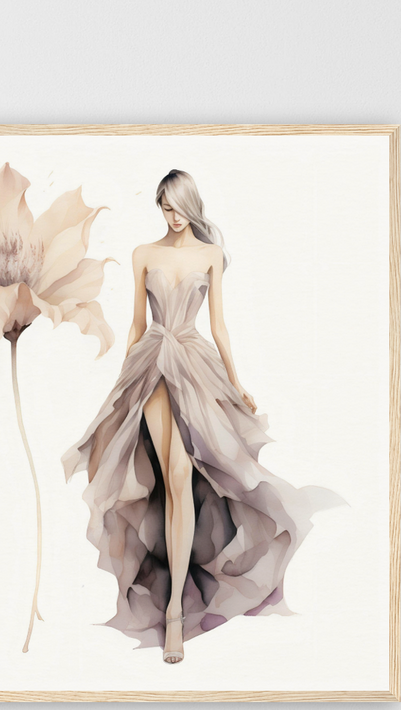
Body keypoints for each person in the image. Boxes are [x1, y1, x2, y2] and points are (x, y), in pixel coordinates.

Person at [63, 169, 337, 664]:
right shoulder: (143, 255)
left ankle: (173, 611)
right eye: (163, 207)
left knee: (185, 475)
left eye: (176, 206)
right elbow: (135, 325)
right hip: (151, 361)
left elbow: (220, 327)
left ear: (190, 205)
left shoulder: (209, 256)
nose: (170, 216)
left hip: (194, 360)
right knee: (174, 473)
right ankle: (171, 614)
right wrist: (121, 385)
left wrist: (237, 381)